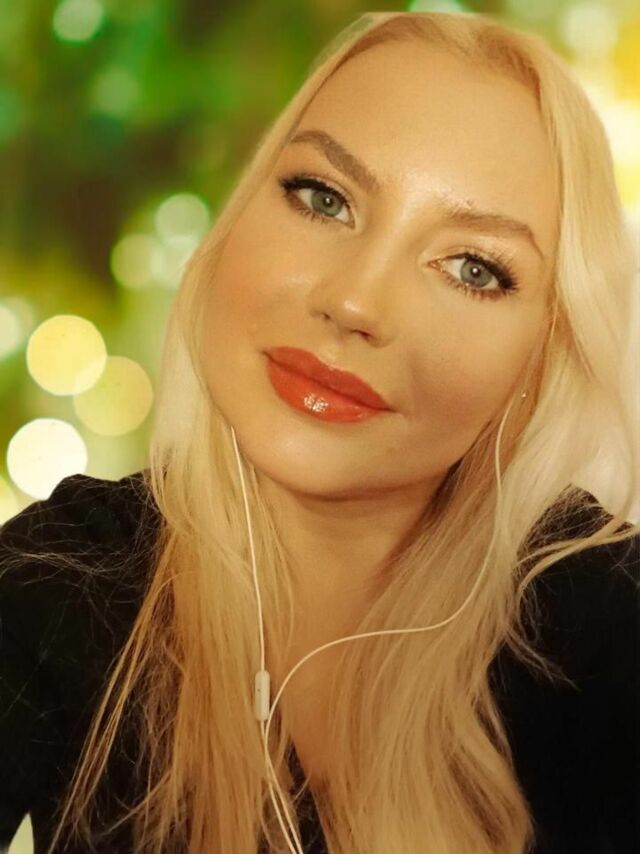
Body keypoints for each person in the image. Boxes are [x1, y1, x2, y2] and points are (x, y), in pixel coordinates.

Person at [1, 10, 638, 854]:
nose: (354, 301)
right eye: (323, 198)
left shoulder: (598, 618)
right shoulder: (64, 580)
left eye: (474, 268)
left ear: (543, 356)